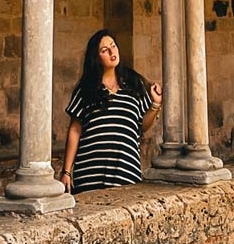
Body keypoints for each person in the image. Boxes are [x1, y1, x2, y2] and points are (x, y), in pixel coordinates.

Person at [60, 30, 163, 195]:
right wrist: (66, 171)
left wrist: (155, 104)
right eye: (104, 50)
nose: (111, 52)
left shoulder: (134, 83)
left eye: (113, 46)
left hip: (125, 173)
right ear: (96, 57)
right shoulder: (86, 88)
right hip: (89, 175)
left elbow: (141, 126)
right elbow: (75, 129)